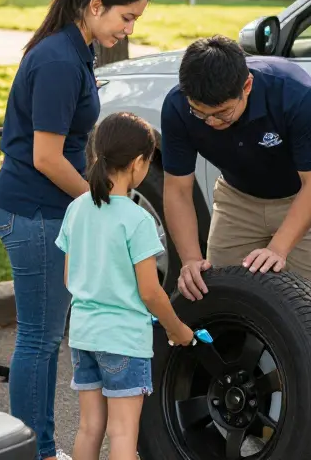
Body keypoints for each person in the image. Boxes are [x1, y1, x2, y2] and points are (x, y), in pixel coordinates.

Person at [0, 0, 154, 460]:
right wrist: (100, 201)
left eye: (136, 22)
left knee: (43, 336)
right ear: (96, 5)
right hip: (34, 211)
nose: (127, 31)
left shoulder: (76, 49)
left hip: (45, 209)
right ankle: (34, 451)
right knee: (39, 340)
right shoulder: (60, 61)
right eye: (125, 18)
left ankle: (37, 447)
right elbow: (45, 156)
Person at [162, 35, 311, 299]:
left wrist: (278, 248)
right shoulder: (177, 106)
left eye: (222, 112)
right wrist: (190, 259)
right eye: (200, 113)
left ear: (247, 85)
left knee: (310, 305)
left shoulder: (294, 91)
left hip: (303, 195)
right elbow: (178, 189)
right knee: (219, 295)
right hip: (238, 199)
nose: (211, 122)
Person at [57, 112, 193, 460]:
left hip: (84, 335)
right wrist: (176, 328)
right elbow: (150, 292)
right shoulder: (138, 219)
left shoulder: (76, 210)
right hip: (123, 340)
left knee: (90, 427)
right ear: (138, 163)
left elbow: (69, 278)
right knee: (122, 432)